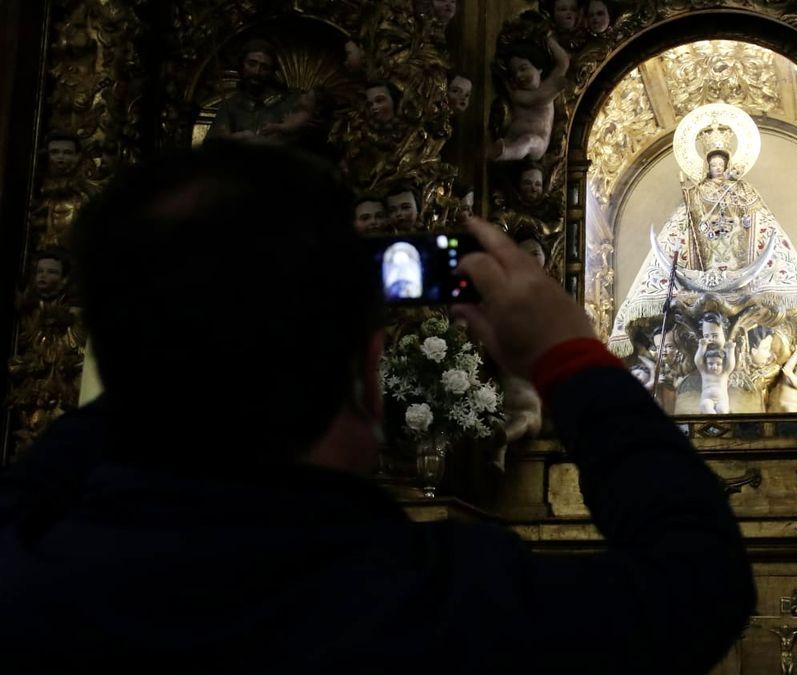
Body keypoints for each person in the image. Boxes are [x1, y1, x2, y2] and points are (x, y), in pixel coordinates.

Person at [0, 142, 754, 672]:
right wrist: (569, 353)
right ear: (368, 369)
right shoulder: (442, 614)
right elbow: (699, 578)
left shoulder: (27, 577)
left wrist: (172, 331)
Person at [491, 37, 570, 162]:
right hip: (512, 137)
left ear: (538, 68)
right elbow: (537, 99)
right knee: (517, 143)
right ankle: (503, 150)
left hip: (538, 142)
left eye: (523, 68)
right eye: (514, 73)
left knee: (528, 141)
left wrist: (549, 40)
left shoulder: (548, 85)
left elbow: (563, 63)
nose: (519, 76)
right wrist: (556, 90)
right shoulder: (519, 94)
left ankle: (505, 153)